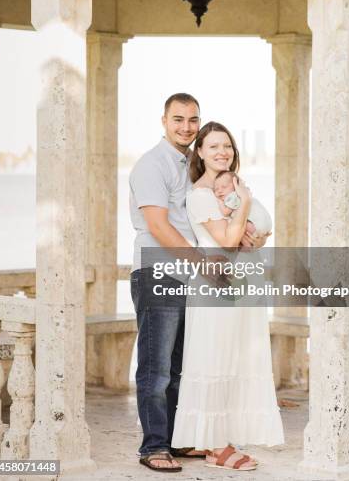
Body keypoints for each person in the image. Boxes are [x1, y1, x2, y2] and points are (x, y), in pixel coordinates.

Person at [129, 94, 242, 472]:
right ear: (163, 120)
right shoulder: (152, 165)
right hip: (158, 272)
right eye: (178, 119)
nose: (187, 127)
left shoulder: (192, 168)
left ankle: (177, 440)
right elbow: (159, 227)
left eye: (193, 120)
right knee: (155, 367)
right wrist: (204, 264)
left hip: (188, 277)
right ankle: (154, 446)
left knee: (180, 366)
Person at [171, 121, 284, 471]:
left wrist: (257, 236)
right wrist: (246, 203)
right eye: (215, 146)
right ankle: (214, 447)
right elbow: (227, 241)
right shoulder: (201, 195)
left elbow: (254, 233)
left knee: (236, 360)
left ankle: (224, 438)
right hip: (215, 288)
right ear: (200, 152)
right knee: (214, 358)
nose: (223, 152)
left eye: (228, 146)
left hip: (243, 284)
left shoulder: (231, 187)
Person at [213, 169, 272, 236]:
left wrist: (219, 200)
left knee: (241, 230)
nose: (219, 191)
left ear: (235, 186)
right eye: (216, 189)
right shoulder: (243, 192)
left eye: (224, 187)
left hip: (257, 225)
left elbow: (225, 212)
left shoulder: (233, 196)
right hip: (265, 223)